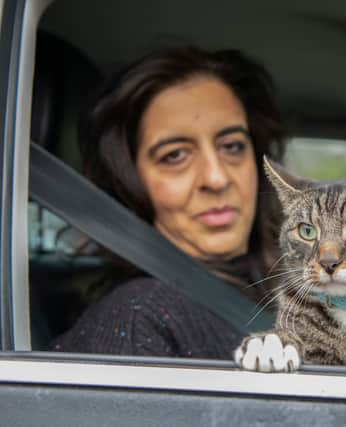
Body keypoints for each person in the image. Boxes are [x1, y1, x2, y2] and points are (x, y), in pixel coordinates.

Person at [51, 47, 285, 358]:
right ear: (130, 183)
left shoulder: (291, 293)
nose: (216, 178)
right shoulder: (137, 319)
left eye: (232, 146)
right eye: (174, 155)